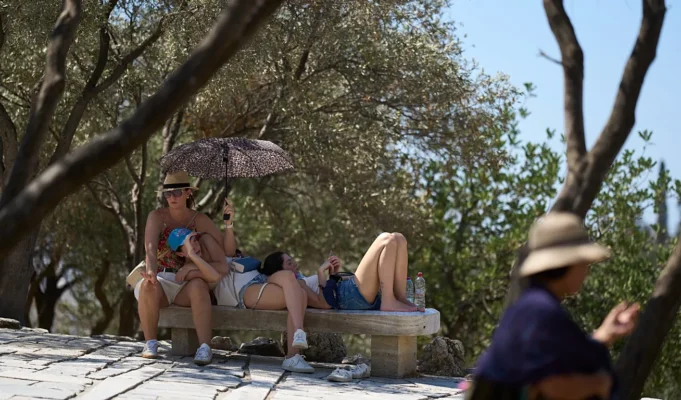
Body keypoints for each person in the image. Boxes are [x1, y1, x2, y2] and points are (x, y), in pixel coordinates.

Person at [468, 212, 640, 400]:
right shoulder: (542, 312)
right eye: (584, 263)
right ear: (567, 264)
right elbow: (553, 386)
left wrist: (606, 334)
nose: (586, 271)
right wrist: (598, 384)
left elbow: (566, 354)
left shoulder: (530, 306)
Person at [136, 171, 232, 364]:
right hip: (163, 279)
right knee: (147, 285)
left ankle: (205, 347)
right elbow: (150, 249)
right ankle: (150, 343)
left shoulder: (200, 219)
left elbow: (227, 251)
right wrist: (152, 271)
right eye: (168, 193)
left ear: (188, 193)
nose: (172, 197)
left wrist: (229, 224)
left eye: (177, 192)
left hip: (188, 284)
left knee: (199, 286)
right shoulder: (157, 216)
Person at [262, 232, 423, 312]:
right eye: (289, 263)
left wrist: (333, 275)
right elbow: (323, 304)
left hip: (348, 293)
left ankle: (400, 298)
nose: (295, 264)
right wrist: (320, 272)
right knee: (386, 239)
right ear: (280, 270)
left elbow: (326, 293)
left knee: (399, 239)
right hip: (347, 296)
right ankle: (389, 301)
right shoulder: (296, 285)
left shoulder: (300, 280)